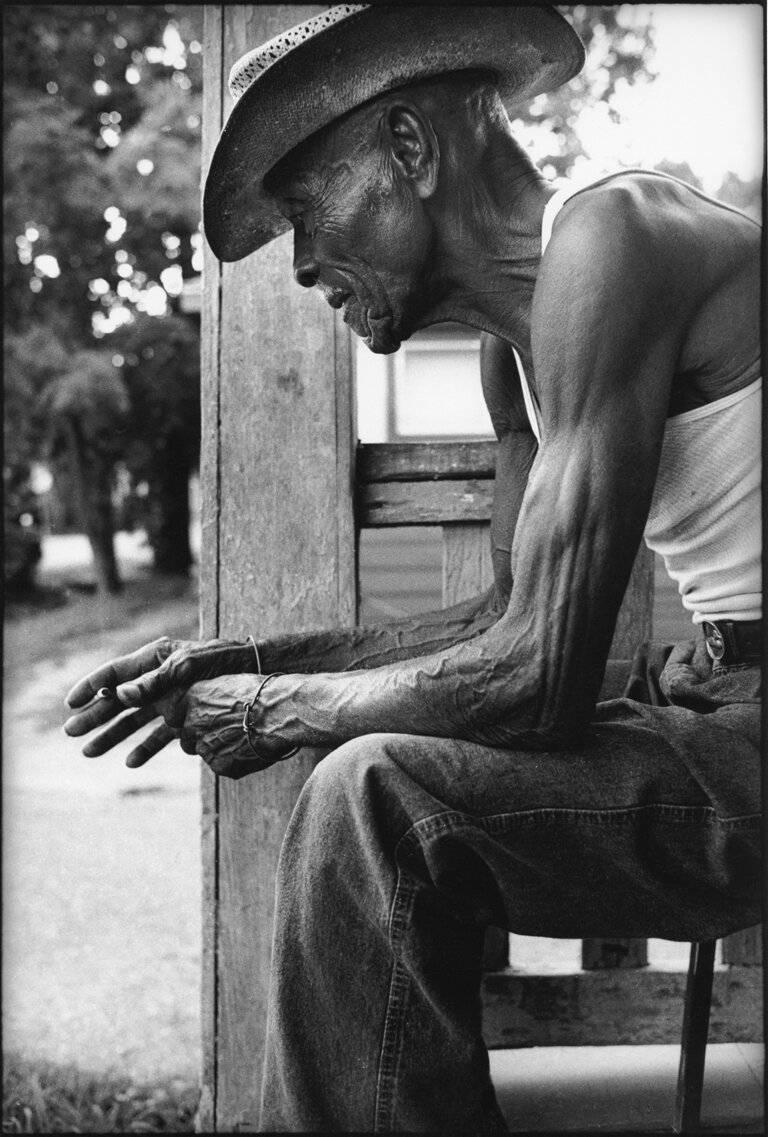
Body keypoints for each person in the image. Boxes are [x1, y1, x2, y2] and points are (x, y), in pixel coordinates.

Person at [64, 6, 761, 1131]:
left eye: (304, 211)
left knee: (373, 796)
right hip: (724, 719)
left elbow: (541, 682)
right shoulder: (516, 351)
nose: (299, 265)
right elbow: (504, 619)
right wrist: (239, 658)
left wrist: (286, 707)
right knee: (369, 787)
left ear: (409, 148)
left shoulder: (615, 237)